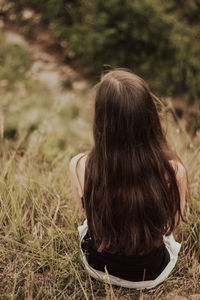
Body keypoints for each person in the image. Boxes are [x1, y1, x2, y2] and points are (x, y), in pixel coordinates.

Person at [69, 69, 189, 289]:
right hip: (152, 273)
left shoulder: (80, 164)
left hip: (98, 267)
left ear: (101, 121)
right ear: (150, 116)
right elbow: (169, 226)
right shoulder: (174, 171)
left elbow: (87, 214)